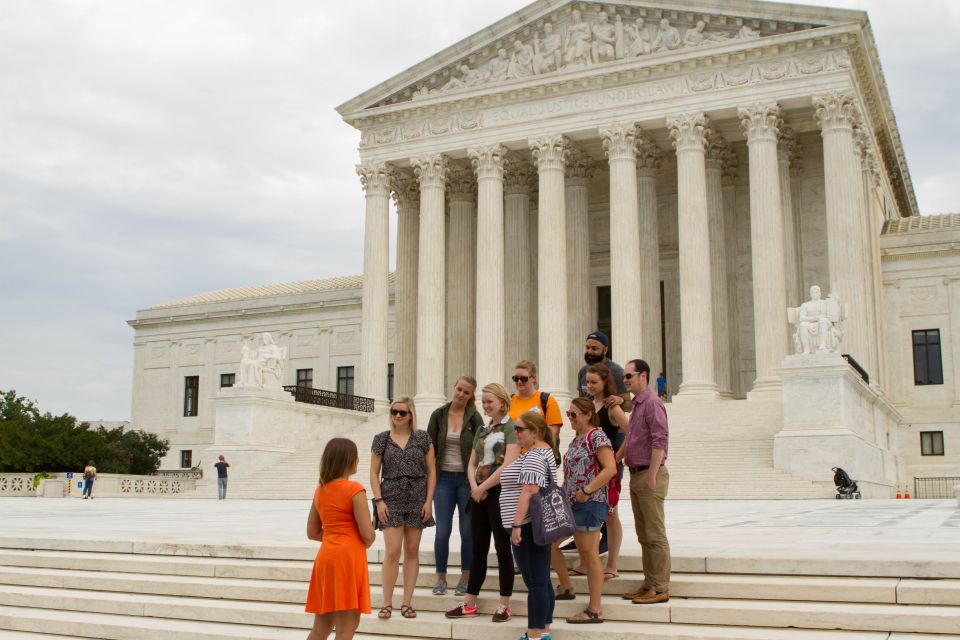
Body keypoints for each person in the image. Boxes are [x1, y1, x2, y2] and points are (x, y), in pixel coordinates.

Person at [446, 383, 518, 623]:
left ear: (502, 401)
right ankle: (469, 602)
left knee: (502, 549)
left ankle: (504, 604)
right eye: (484, 402)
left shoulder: (511, 427)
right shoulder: (482, 430)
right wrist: (475, 488)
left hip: (499, 493)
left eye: (490, 401)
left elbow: (508, 463)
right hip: (477, 493)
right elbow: (471, 463)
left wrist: (483, 488)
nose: (486, 406)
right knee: (478, 549)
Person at [551, 398, 617, 623]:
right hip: (572, 504)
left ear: (588, 414)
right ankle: (567, 587)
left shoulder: (596, 436)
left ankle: (595, 609)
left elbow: (610, 468)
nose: (570, 418)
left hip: (590, 502)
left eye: (574, 414)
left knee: (589, 553)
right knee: (551, 544)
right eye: (568, 414)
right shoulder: (576, 440)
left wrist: (587, 491)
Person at [370, 397, 436, 620]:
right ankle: (386, 603)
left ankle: (407, 603)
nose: (397, 416)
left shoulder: (422, 438)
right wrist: (379, 501)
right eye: (394, 411)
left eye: (402, 412)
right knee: (392, 551)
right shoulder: (381, 439)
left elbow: (431, 472)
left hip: (417, 497)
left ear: (411, 415)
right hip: (390, 498)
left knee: (412, 550)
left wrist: (428, 502)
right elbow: (373, 472)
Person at [305, 438, 376, 640]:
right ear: (349, 460)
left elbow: (312, 532)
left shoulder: (320, 490)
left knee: (321, 628)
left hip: (326, 558)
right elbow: (367, 536)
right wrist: (368, 529)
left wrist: (335, 535)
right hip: (348, 560)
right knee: (346, 628)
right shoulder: (354, 489)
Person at [501, 410, 558, 640]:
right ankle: (543, 630)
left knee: (535, 582)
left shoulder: (535, 455)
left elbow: (529, 491)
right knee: (541, 580)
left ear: (535, 431)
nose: (516, 434)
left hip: (526, 526)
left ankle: (534, 635)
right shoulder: (542, 452)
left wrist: (516, 526)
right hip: (530, 525)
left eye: (519, 429)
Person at [426, 376, 483, 596]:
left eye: (466, 392)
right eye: (459, 389)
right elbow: (429, 450)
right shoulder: (438, 415)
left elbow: (482, 448)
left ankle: (465, 578)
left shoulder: (474, 417)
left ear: (470, 396)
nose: (461, 394)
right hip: (444, 480)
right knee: (442, 531)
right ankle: (441, 577)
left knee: (467, 531)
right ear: (453, 388)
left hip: (467, 481)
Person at [621, 358, 671, 604]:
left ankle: (660, 587)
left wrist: (652, 474)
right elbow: (631, 439)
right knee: (643, 534)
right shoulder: (638, 405)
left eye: (629, 375)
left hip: (648, 475)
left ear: (643, 376)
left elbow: (659, 438)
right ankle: (650, 583)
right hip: (635, 474)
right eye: (624, 376)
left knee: (655, 534)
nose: (625, 380)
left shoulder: (652, 403)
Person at [583, 364, 629, 578]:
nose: (590, 386)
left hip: (608, 470)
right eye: (588, 382)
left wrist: (617, 458)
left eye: (594, 382)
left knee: (611, 515)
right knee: (591, 514)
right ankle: (587, 562)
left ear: (604, 383)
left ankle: (612, 565)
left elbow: (631, 433)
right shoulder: (589, 406)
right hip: (590, 470)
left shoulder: (612, 407)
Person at [510, 360, 563, 446]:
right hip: (512, 454)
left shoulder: (548, 400)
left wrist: (533, 450)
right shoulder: (509, 401)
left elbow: (554, 432)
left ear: (533, 378)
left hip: (537, 455)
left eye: (523, 378)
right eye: (516, 378)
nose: (519, 381)